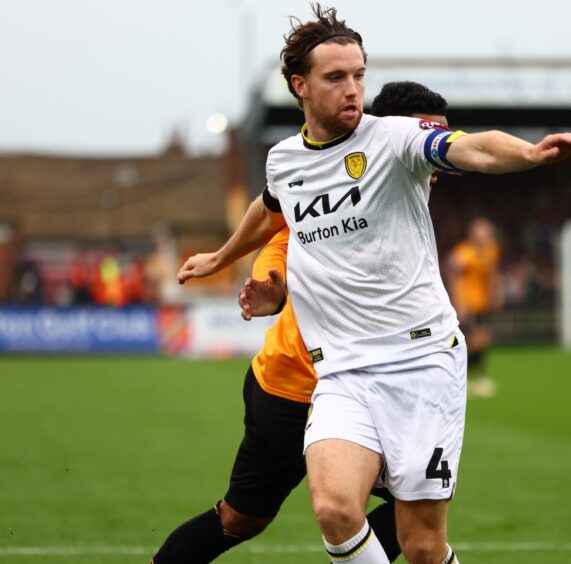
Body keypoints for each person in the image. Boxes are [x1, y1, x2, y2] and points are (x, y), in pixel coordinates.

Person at [176, 5, 571, 563]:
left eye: (359, 75)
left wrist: (530, 153)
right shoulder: (285, 161)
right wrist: (222, 257)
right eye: (336, 77)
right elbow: (269, 208)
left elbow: (469, 146)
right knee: (335, 510)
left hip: (420, 368)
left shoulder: (393, 138)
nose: (353, 89)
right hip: (342, 371)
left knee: (421, 545)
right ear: (299, 86)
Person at [151, 80, 448, 564]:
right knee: (240, 519)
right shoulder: (335, 180)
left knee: (419, 507)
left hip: (375, 385)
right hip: (294, 386)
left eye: (440, 139)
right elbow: (283, 239)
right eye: (424, 136)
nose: (433, 153)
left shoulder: (409, 195)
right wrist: (271, 286)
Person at [447, 217, 502, 397]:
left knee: (480, 339)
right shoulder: (463, 252)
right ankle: (460, 374)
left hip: (481, 303)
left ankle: (473, 377)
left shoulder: (491, 250)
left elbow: (493, 274)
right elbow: (453, 275)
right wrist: (458, 301)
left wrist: (495, 294)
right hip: (467, 303)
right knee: (470, 339)